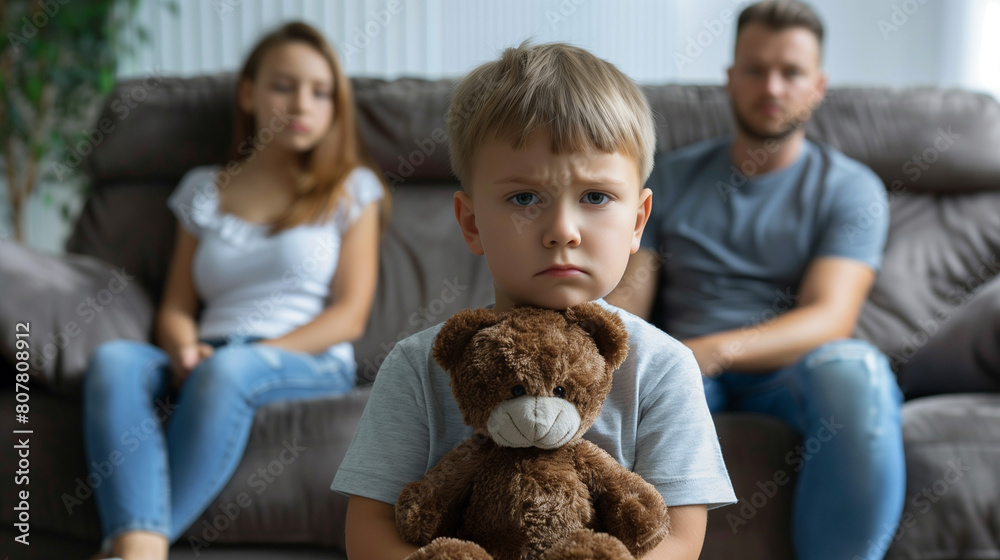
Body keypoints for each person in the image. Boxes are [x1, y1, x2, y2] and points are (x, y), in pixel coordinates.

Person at [332, 41, 737, 560]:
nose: (562, 231)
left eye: (595, 197)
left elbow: (679, 541)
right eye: (524, 198)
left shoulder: (663, 368)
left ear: (638, 221)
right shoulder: (418, 365)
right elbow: (368, 533)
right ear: (472, 222)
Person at [607, 2, 905, 559]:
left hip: (789, 370)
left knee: (858, 370)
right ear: (729, 78)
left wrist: (709, 352)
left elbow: (830, 316)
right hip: (687, 366)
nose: (771, 86)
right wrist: (631, 352)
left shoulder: (851, 190)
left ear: (817, 86)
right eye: (755, 68)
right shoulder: (669, 177)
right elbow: (631, 298)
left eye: (791, 72)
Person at [82, 22, 389, 560]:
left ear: (336, 106)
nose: (302, 102)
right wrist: (182, 349)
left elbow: (349, 316)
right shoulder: (202, 189)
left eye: (321, 92)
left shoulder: (351, 188)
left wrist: (250, 355)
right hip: (206, 351)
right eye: (283, 85)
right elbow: (178, 303)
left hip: (305, 357)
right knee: (114, 360)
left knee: (229, 370)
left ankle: (136, 551)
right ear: (248, 92)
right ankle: (142, 544)